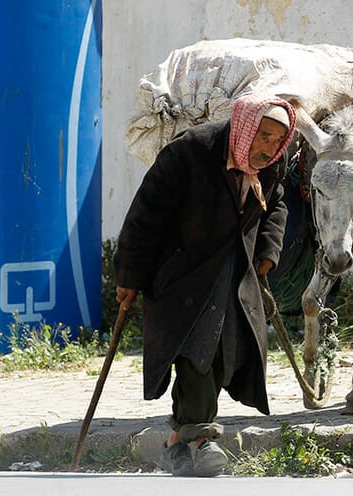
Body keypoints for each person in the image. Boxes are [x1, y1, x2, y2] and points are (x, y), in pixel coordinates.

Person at [113, 93, 296, 477]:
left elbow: (276, 202)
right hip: (183, 273)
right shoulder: (191, 151)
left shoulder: (270, 165)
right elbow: (145, 214)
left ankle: (176, 443)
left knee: (222, 350)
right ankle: (202, 438)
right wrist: (129, 276)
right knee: (197, 349)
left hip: (233, 271)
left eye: (277, 140)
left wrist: (268, 247)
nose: (269, 147)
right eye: (263, 136)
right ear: (246, 127)